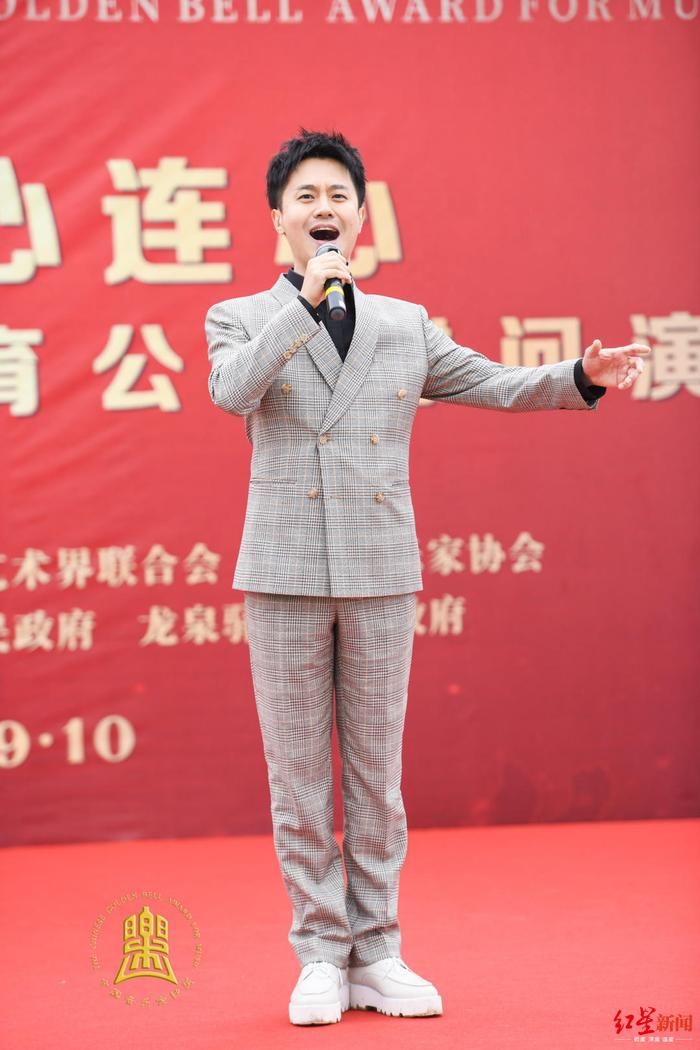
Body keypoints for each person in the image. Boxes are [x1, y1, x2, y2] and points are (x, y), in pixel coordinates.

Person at [205, 129, 650, 1026]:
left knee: (376, 775)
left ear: (362, 216)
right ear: (278, 218)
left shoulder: (404, 325)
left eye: (338, 195)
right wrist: (306, 303)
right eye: (306, 196)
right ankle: (319, 953)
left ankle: (378, 950)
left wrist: (578, 375)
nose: (323, 208)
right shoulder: (240, 316)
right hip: (284, 573)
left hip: (380, 568)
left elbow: (489, 382)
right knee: (298, 778)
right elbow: (232, 390)